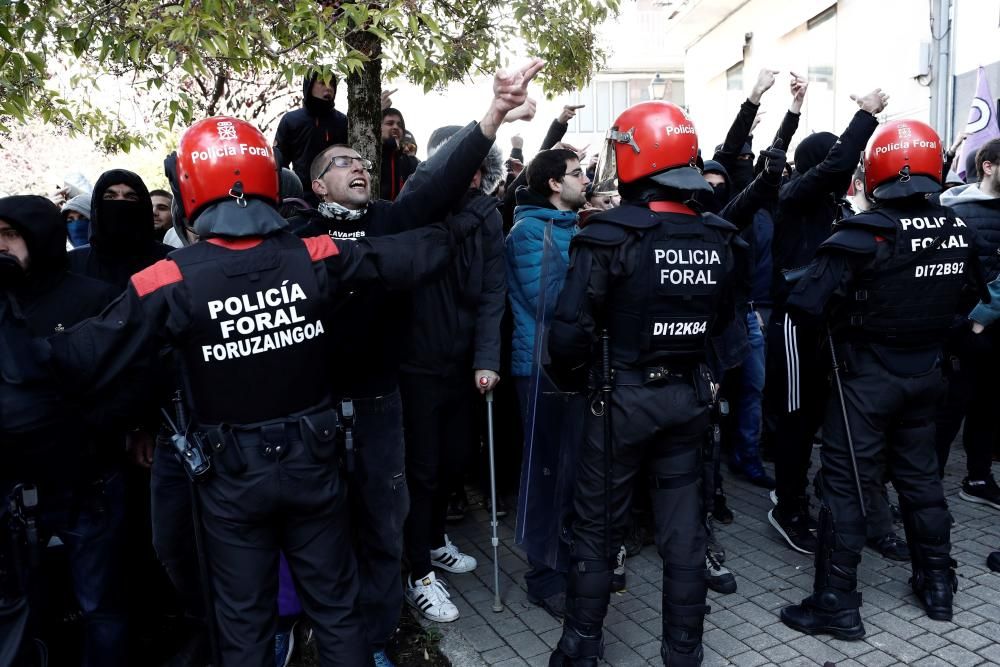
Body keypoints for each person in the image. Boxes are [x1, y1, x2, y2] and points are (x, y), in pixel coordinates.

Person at [41, 108, 518, 665]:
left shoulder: (170, 275)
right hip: (313, 462)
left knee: (243, 620)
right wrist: (467, 221)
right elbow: (407, 254)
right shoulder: (308, 254)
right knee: (337, 610)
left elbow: (80, 356)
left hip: (231, 476)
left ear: (190, 187)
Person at [295, 59, 543, 666]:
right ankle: (325, 639)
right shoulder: (292, 236)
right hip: (316, 410)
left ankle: (378, 638)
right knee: (324, 531)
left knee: (385, 523)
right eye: (340, 164)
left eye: (360, 161)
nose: (356, 166)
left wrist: (492, 116)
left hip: (382, 401)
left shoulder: (389, 221)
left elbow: (436, 182)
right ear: (317, 187)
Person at [547, 101, 746, 667]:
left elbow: (568, 334)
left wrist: (578, 384)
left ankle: (581, 647)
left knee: (597, 528)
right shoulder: (717, 235)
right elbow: (725, 322)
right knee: (684, 532)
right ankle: (684, 652)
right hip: (687, 399)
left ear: (633, 154)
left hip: (620, 399)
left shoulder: (609, 236)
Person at [780, 120, 988, 639]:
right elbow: (969, 299)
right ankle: (938, 585)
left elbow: (804, 307)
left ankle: (836, 601)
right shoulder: (957, 228)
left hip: (864, 380)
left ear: (876, 172)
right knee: (921, 479)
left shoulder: (860, 235)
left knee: (846, 485)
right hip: (926, 374)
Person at [0, 195, 126, 666]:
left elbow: (123, 381)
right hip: (12, 491)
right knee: (18, 608)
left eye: (9, 234)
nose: (1, 246)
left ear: (39, 236)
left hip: (86, 482)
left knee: (100, 607)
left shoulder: (90, 297)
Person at [767, 89, 888, 555]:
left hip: (824, 326)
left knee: (817, 415)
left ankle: (801, 490)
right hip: (796, 327)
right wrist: (866, 115)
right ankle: (788, 507)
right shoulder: (795, 194)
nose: (849, 169)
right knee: (796, 419)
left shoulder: (834, 209)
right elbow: (836, 166)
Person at [398, 124, 506, 623]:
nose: (473, 175)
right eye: (463, 164)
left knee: (454, 460)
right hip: (416, 363)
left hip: (462, 363)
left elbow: (492, 292)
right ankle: (416, 569)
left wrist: (486, 359)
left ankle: (436, 538)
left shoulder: (487, 216)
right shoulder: (416, 205)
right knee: (421, 469)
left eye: (480, 167)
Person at [507, 148, 588, 619]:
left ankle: (570, 560)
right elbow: (553, 301)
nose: (585, 180)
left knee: (574, 470)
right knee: (545, 474)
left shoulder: (569, 227)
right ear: (554, 184)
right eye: (577, 174)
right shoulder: (528, 232)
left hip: (569, 365)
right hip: (541, 367)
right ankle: (544, 575)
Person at [935, 138, 1000, 509]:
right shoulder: (953, 206)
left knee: (988, 409)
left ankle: (977, 479)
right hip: (963, 329)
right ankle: (930, 486)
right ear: (988, 165)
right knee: (949, 410)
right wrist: (971, 321)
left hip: (993, 330)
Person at [68, 169, 172, 289]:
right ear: (97, 206)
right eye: (110, 197)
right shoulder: (74, 263)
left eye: (130, 197)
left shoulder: (169, 259)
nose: (120, 202)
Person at [273, 70, 348, 201]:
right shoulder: (291, 120)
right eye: (322, 83)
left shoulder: (343, 122)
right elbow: (280, 163)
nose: (328, 88)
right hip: (301, 197)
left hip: (336, 196)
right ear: (309, 87)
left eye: (332, 84)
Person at [380, 108, 420, 201]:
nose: (395, 127)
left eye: (400, 125)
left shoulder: (411, 163)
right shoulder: (367, 152)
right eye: (390, 123)